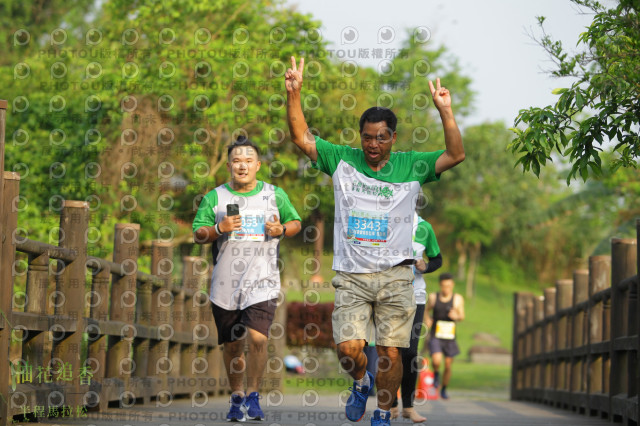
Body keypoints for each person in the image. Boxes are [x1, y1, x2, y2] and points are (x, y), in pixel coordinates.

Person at [284, 56, 464, 426]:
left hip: (396, 277)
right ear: (360, 136)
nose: (373, 144)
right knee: (350, 350)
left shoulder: (412, 165)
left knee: (392, 353)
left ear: (392, 138)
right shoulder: (342, 160)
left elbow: (455, 154)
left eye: (381, 137)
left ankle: (383, 412)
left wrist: (445, 111)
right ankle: (361, 382)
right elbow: (302, 138)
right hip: (351, 275)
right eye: (367, 137)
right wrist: (295, 93)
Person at [192, 136, 301, 422]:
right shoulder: (215, 197)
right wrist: (219, 227)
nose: (243, 166)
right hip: (226, 285)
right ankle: (237, 395)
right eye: (237, 161)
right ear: (229, 165)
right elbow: (199, 233)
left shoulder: (274, 195)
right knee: (232, 345)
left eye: (248, 161)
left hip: (262, 281)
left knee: (257, 338)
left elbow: (295, 223)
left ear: (258, 165)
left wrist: (281, 229)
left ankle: (253, 394)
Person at [390, 211, 442, 422]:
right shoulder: (385, 220)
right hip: (388, 296)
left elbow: (437, 259)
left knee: (411, 353)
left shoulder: (424, 227)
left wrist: (426, 266)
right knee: (391, 351)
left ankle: (408, 407)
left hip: (416, 297)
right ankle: (391, 404)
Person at [424, 273, 465, 400]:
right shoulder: (433, 297)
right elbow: (426, 309)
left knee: (448, 365)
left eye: (448, 286)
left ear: (452, 285)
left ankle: (444, 389)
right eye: (443, 286)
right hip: (436, 334)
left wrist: (456, 316)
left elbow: (462, 316)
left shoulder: (458, 299)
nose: (446, 289)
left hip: (450, 336)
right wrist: (427, 319)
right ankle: (436, 373)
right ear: (440, 285)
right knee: (436, 360)